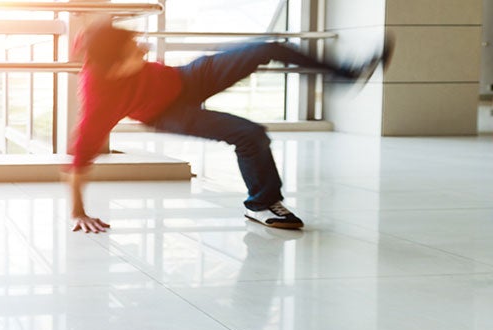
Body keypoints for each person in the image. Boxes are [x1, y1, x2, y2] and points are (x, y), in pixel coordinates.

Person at [66, 21, 393, 232]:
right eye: (134, 51)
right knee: (249, 134)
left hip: (186, 78)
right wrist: (78, 212)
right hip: (168, 112)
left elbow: (93, 37)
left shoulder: (103, 45)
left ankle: (343, 73)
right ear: (116, 68)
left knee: (269, 47)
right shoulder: (99, 99)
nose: (144, 48)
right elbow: (79, 160)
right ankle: (262, 203)